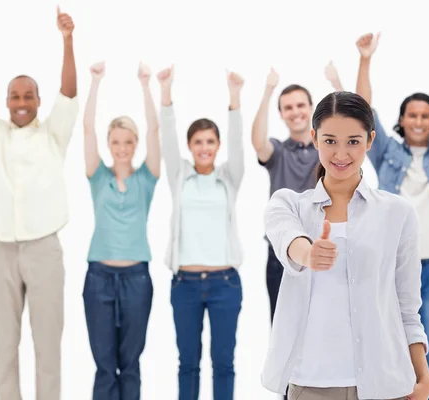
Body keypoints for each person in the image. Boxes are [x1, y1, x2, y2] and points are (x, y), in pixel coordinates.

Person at [327, 32, 429, 400]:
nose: (419, 120)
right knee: (390, 351)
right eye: (412, 114)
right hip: (390, 267)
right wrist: (365, 58)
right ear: (401, 120)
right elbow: (362, 107)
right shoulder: (387, 153)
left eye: (426, 115)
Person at [261, 91, 429, 400]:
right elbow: (287, 237)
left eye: (353, 141)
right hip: (310, 385)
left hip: (384, 385)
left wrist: (423, 375)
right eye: (330, 141)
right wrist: (309, 253)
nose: (341, 153)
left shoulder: (398, 213)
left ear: (370, 140)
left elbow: (407, 306)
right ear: (314, 138)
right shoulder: (288, 204)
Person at [0, 6, 78, 400]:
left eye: (28, 95)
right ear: (7, 101)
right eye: (14, 96)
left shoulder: (54, 135)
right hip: (1, 251)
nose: (21, 101)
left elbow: (69, 93)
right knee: (3, 350)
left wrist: (67, 40)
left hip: (44, 249)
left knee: (48, 350)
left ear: (39, 101)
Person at [157, 66, 245, 400]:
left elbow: (238, 145)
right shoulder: (179, 176)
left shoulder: (229, 178)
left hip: (225, 284)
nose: (204, 147)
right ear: (190, 146)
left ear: (217, 145)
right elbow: (166, 138)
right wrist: (165, 93)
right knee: (188, 363)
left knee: (224, 363)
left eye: (210, 141)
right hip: (186, 285)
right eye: (198, 142)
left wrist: (234, 97)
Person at [81, 60, 160, 400]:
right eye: (116, 142)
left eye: (128, 141)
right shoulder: (98, 177)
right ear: (109, 144)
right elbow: (87, 131)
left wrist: (146, 86)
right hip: (99, 277)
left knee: (129, 364)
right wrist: (95, 83)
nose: (122, 148)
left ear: (136, 143)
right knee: (104, 365)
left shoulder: (147, 178)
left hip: (137, 280)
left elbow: (156, 131)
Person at [251, 69, 321, 328]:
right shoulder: (278, 152)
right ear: (280, 114)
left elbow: (350, 129)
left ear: (312, 108)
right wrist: (268, 91)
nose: (295, 111)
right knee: (284, 334)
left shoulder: (327, 150)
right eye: (288, 107)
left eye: (301, 105)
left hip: (321, 251)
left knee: (323, 333)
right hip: (281, 255)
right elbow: (258, 142)